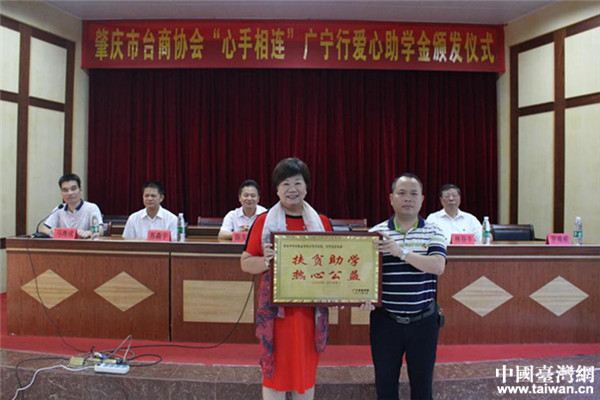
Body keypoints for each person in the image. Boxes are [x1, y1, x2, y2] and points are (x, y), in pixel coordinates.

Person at [241, 157, 333, 400]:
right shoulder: (264, 222)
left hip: (309, 315)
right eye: (286, 184)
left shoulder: (322, 223)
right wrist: (266, 261)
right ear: (277, 189)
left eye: (298, 183)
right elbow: (246, 262)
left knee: (305, 373)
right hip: (277, 317)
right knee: (275, 373)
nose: (292, 189)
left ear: (307, 187)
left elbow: (335, 266)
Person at [369, 173, 447, 400]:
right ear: (391, 198)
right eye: (401, 193)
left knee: (422, 388)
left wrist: (400, 252)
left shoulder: (434, 231)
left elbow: (437, 266)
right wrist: (363, 294)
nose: (407, 198)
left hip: (423, 322)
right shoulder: (375, 234)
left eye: (414, 194)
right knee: (385, 388)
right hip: (385, 322)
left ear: (422, 199)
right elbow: (364, 275)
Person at [40, 173, 104, 239]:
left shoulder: (91, 208)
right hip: (63, 244)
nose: (70, 193)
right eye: (65, 190)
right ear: (61, 193)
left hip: (84, 244)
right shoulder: (59, 209)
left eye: (73, 189)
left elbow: (100, 230)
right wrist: (53, 232)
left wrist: (87, 233)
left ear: (80, 189)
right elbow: (44, 229)